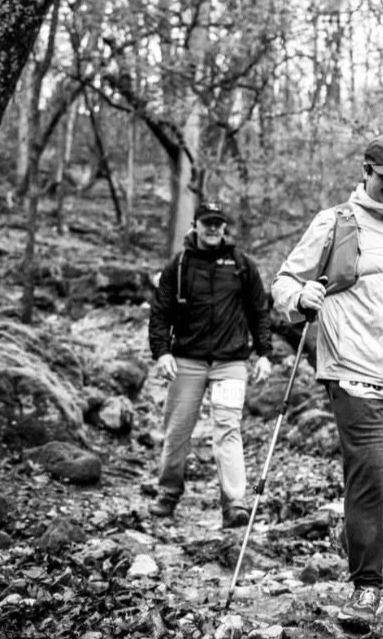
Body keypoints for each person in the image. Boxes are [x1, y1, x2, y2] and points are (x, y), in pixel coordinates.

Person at [271, 134, 383, 630]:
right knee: (371, 477)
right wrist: (300, 298)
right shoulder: (335, 222)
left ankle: (360, 528)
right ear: (366, 172)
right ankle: (367, 587)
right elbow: (284, 281)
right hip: (351, 370)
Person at [147, 201, 273, 529]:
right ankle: (168, 493)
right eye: (207, 223)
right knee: (177, 430)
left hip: (231, 362)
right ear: (196, 226)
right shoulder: (179, 266)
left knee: (228, 430)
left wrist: (264, 353)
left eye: (218, 223)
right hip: (187, 360)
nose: (214, 228)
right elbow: (160, 313)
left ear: (224, 227)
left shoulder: (242, 265)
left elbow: (259, 310)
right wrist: (162, 353)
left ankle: (234, 503)